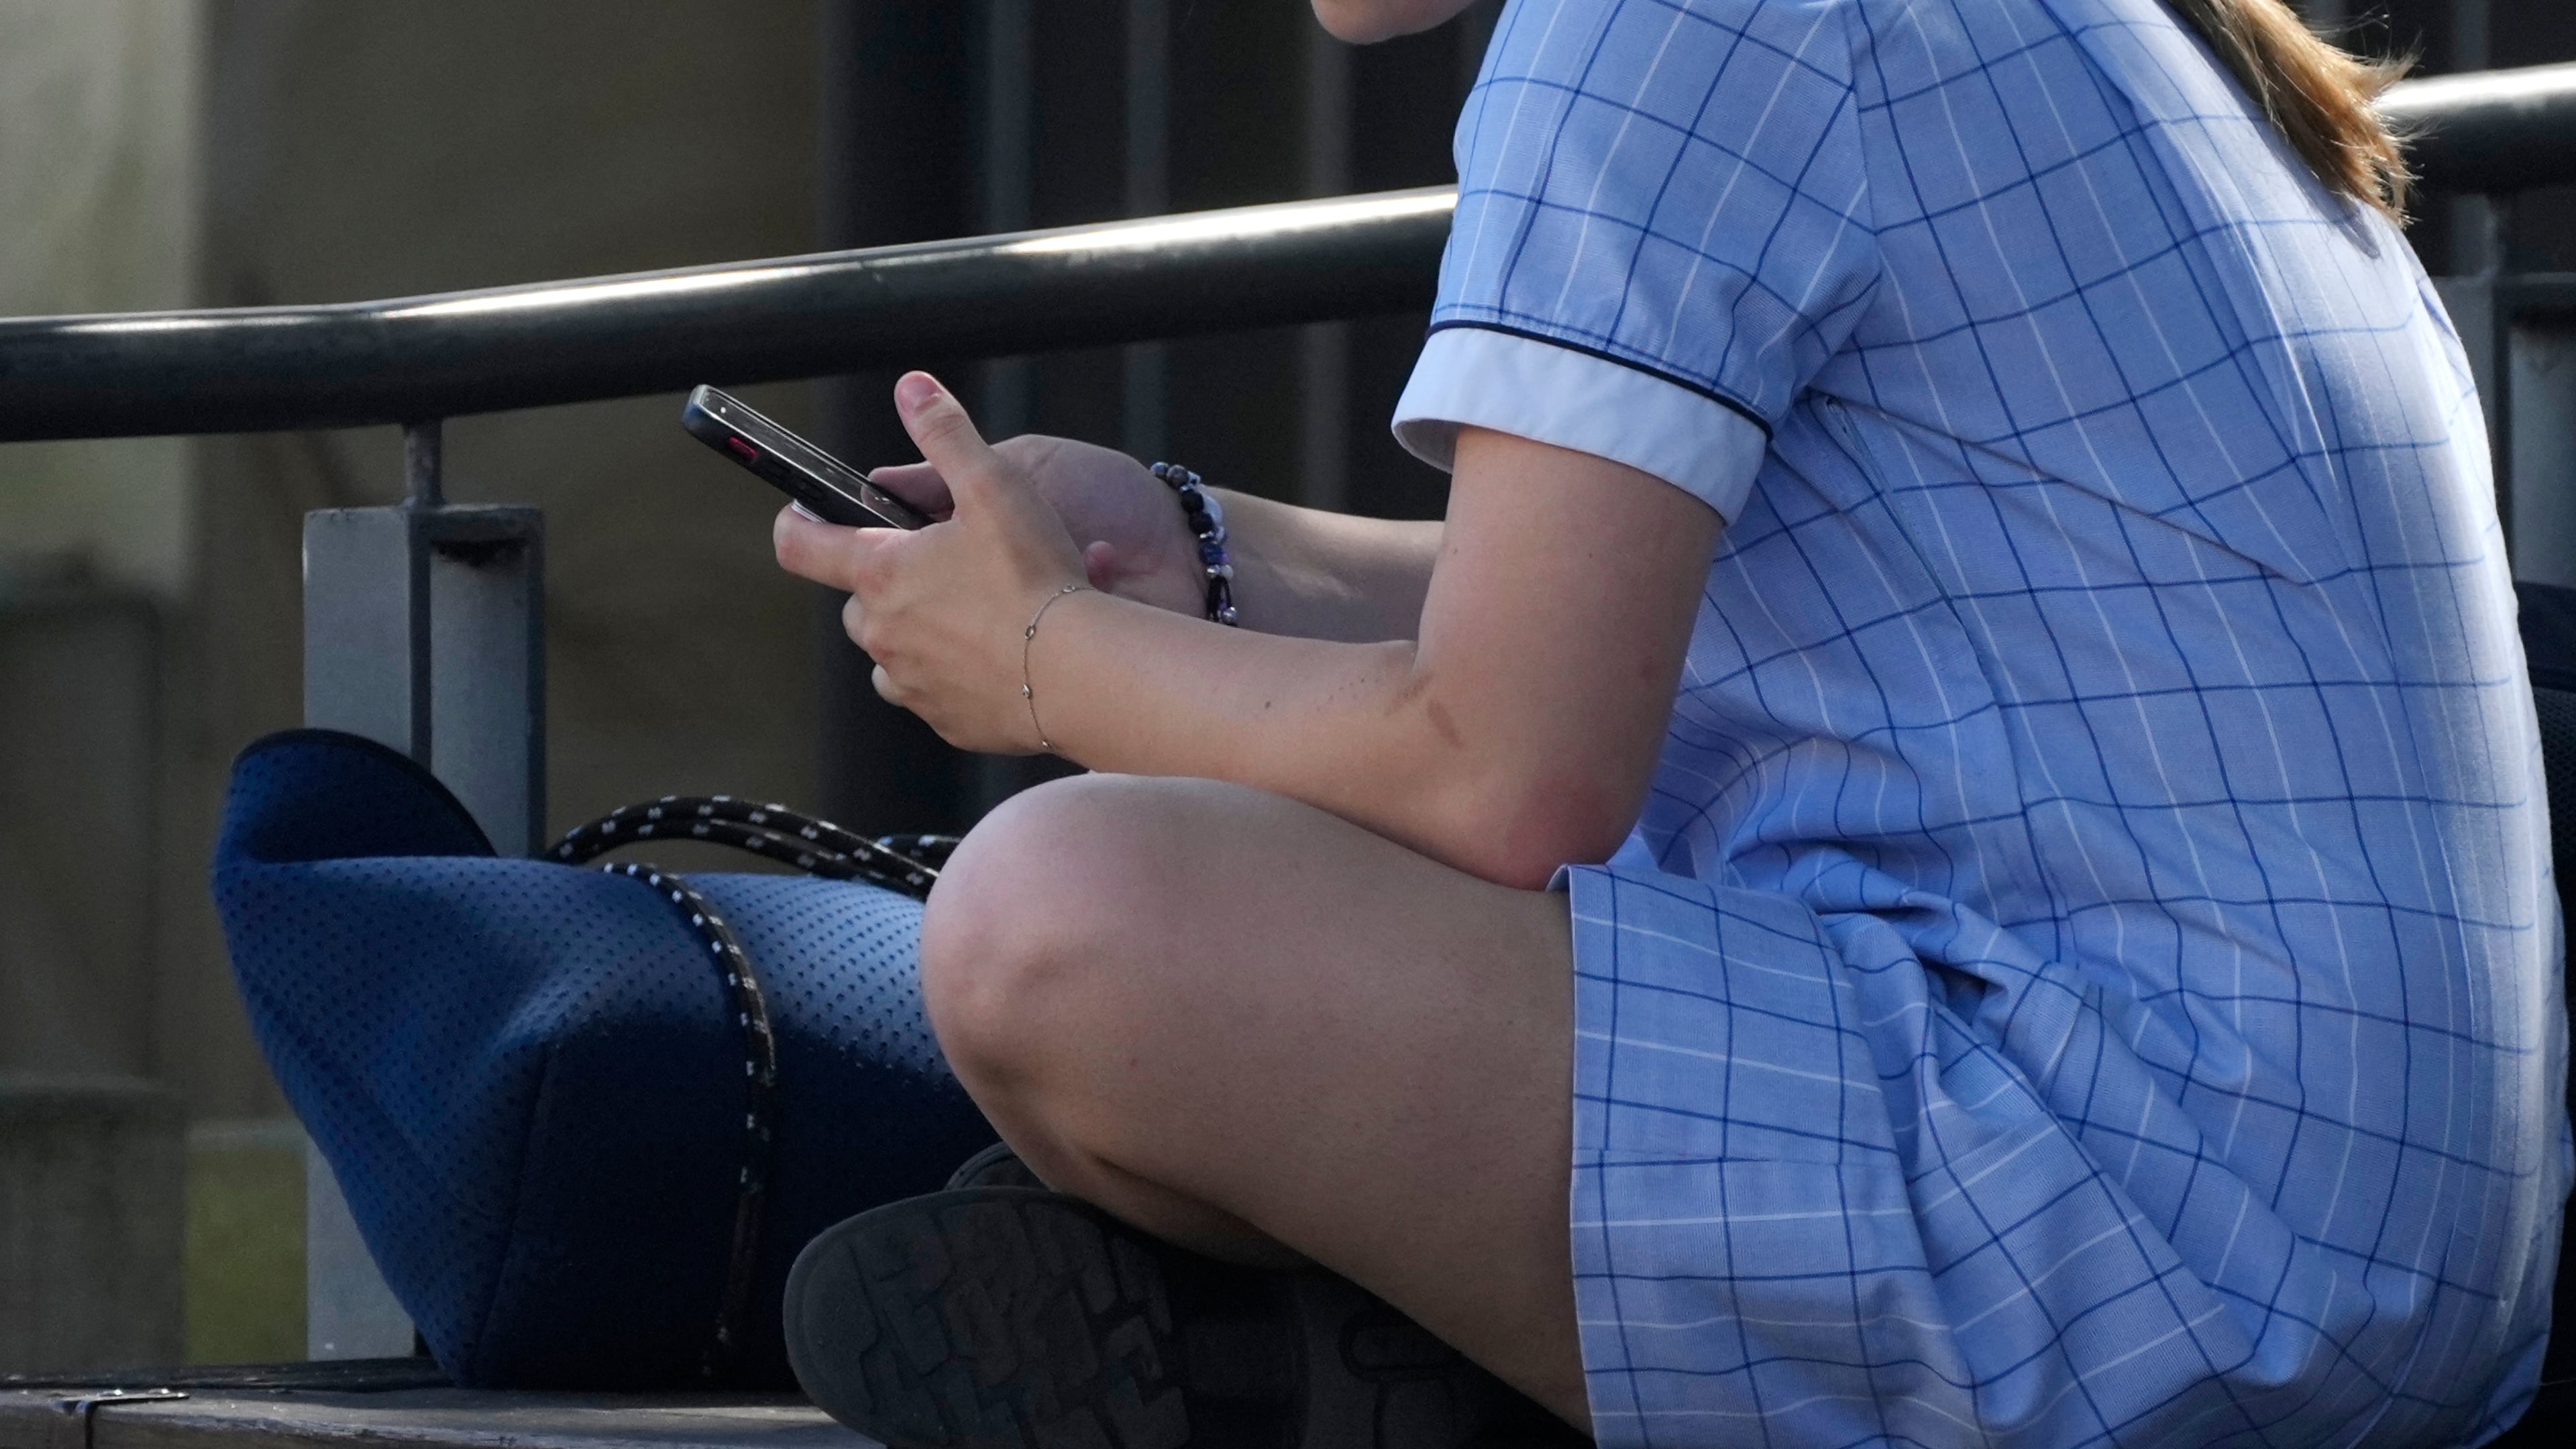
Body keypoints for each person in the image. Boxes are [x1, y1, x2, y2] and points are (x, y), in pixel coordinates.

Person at [769, 0, 2567, 1444]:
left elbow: (1506, 772)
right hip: (2378, 1271)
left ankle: (1375, 1354)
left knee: (1054, 928)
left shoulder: (1665, 24)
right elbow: (1677, 602)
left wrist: (1046, 666)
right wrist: (1198, 554)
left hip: (2138, 1260)